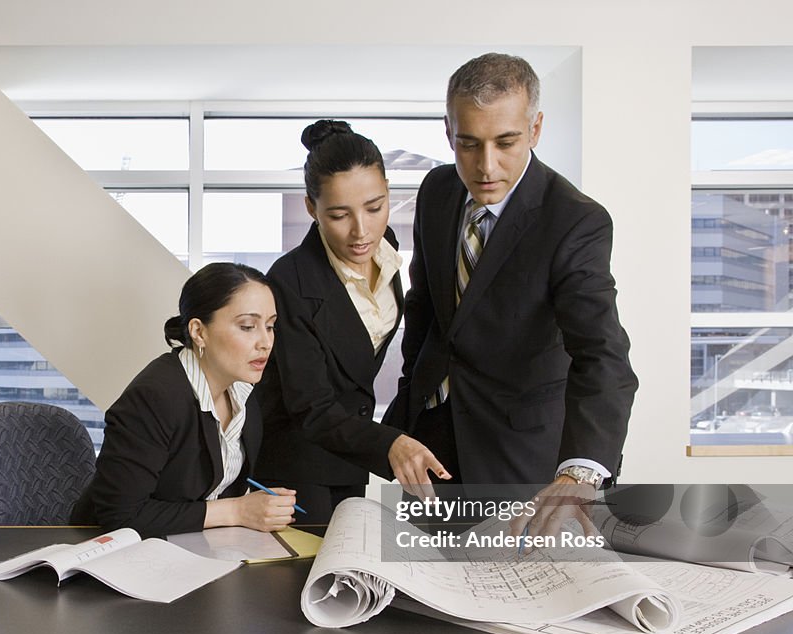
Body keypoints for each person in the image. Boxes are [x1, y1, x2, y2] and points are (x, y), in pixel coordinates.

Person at [383, 53, 638, 537]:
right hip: (433, 439)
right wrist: (409, 396)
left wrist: (579, 473)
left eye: (506, 142)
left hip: (520, 453)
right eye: (468, 144)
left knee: (509, 594)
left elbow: (602, 354)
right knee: (425, 589)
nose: (486, 167)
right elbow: (425, 306)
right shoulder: (438, 190)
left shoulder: (574, 221)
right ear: (448, 132)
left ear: (535, 128)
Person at [256, 120, 448, 528]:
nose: (362, 232)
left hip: (348, 458)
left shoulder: (388, 249)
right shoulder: (289, 282)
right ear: (311, 208)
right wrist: (390, 442)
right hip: (295, 468)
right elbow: (311, 407)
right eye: (340, 215)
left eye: (375, 207)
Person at [73, 262, 297, 538]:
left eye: (271, 326)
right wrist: (237, 511)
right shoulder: (154, 397)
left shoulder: (244, 393)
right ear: (198, 331)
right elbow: (120, 515)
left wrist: (258, 507)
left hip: (187, 549)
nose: (265, 342)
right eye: (248, 326)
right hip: (107, 553)